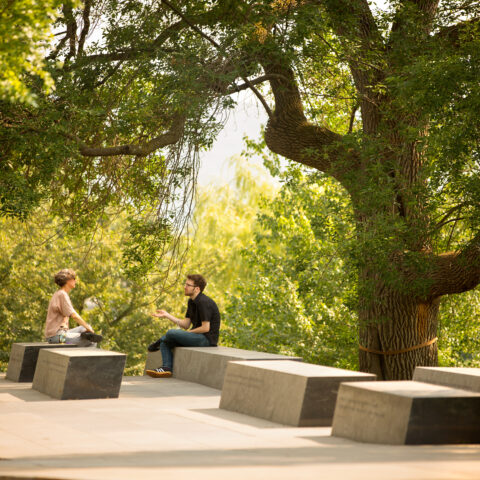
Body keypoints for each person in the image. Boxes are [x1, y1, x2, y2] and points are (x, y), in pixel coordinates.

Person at [146, 274, 220, 378]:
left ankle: (159, 341)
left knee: (171, 333)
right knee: (165, 342)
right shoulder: (191, 302)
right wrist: (167, 315)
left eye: (188, 285)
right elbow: (185, 324)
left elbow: (205, 328)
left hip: (207, 340)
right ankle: (166, 368)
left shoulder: (204, 302)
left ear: (197, 289)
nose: (185, 287)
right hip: (197, 337)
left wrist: (186, 334)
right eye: (185, 284)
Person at [44, 269, 103, 347]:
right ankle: (83, 358)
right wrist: (88, 328)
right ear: (68, 280)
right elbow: (74, 315)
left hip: (61, 334)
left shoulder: (59, 294)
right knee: (91, 341)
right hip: (57, 337)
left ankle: (85, 337)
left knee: (84, 329)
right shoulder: (62, 294)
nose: (75, 281)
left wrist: (87, 329)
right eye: (74, 279)